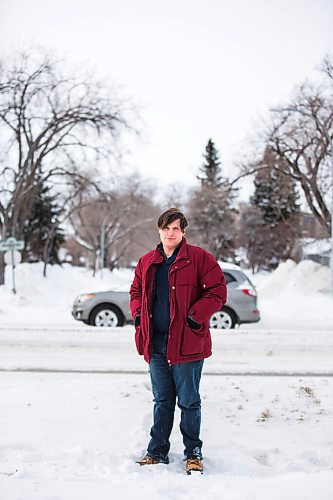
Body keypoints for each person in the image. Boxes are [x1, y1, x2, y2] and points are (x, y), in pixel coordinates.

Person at [129, 207, 227, 474]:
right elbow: (135, 290)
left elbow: (218, 291)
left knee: (189, 401)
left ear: (183, 232)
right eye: (166, 228)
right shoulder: (146, 261)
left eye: (175, 229)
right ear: (159, 230)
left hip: (188, 343)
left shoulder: (199, 258)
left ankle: (193, 453)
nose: (170, 233)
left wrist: (195, 317)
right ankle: (157, 451)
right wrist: (138, 314)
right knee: (162, 401)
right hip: (156, 343)